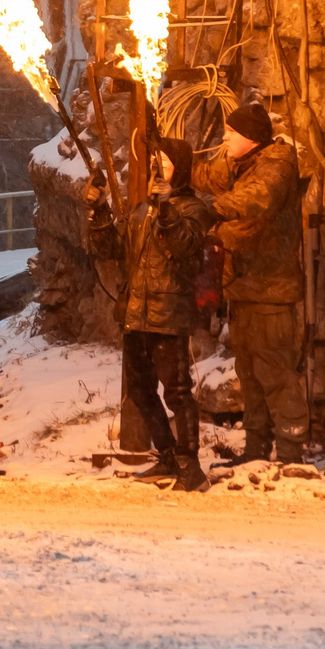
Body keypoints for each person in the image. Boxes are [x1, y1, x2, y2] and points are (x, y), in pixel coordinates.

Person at [193, 99, 309, 464]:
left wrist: (215, 209)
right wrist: (166, 154)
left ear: (252, 137)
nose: (224, 136)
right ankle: (257, 449)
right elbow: (204, 175)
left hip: (271, 293)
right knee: (251, 377)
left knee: (276, 374)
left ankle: (291, 452)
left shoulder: (275, 167)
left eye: (231, 132)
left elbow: (259, 196)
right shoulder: (241, 164)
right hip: (244, 291)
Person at [96, 139, 209, 492]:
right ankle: (168, 456)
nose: (157, 165)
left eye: (165, 160)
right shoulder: (142, 211)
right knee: (141, 391)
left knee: (177, 392)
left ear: (180, 167)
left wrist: (166, 209)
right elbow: (112, 250)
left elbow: (185, 246)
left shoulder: (194, 208)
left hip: (168, 315)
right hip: (136, 315)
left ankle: (191, 467)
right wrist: (99, 212)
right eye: (155, 159)